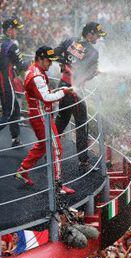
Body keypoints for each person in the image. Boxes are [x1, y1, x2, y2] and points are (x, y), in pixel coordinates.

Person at [15, 46, 75, 195]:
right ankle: (58, 185)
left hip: (39, 114)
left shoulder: (35, 70)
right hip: (41, 116)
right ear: (40, 59)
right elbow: (46, 98)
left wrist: (58, 91)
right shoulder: (36, 76)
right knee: (57, 148)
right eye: (49, 61)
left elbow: (43, 94)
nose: (51, 64)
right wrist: (64, 91)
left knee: (43, 145)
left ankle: (23, 170)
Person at [54, 22, 107, 171]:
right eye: (97, 35)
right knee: (82, 125)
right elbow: (87, 75)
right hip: (74, 91)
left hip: (62, 86)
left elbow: (55, 52)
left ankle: (49, 152)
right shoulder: (92, 52)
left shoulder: (70, 40)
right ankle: (83, 162)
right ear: (90, 34)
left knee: (62, 121)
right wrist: (94, 73)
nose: (98, 38)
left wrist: (63, 63)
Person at [0, 17, 27, 147]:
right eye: (16, 29)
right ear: (9, 30)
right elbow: (21, 66)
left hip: (3, 80)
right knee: (8, 113)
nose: (17, 32)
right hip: (4, 82)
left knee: (15, 109)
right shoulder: (11, 45)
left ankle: (15, 138)